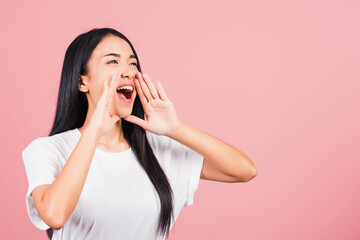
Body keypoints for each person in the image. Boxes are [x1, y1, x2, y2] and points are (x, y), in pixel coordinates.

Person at [22, 27, 258, 240]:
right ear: (82, 82)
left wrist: (176, 129)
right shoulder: (48, 150)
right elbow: (54, 215)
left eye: (132, 63)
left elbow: (244, 171)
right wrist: (93, 130)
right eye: (113, 62)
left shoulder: (157, 149)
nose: (127, 71)